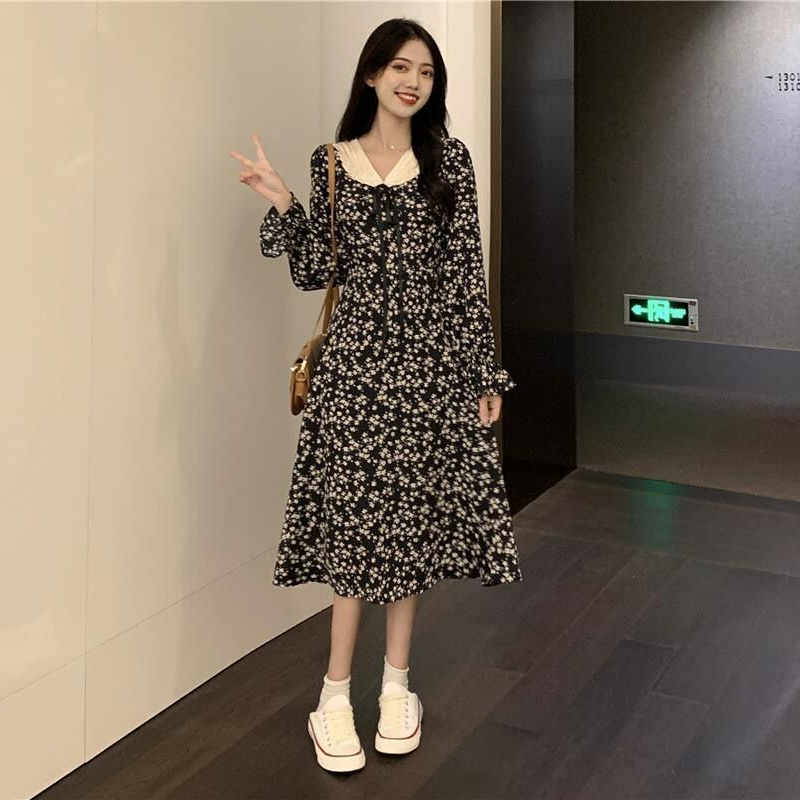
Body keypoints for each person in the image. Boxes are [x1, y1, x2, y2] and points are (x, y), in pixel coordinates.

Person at [230, 17, 522, 774]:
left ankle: (396, 686)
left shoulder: (450, 161)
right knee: (356, 533)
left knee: (409, 529)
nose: (413, 81)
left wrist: (483, 374)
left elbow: (464, 280)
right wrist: (283, 200)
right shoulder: (332, 163)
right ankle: (332, 696)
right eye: (399, 67)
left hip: (427, 374)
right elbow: (313, 272)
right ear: (371, 75)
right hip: (354, 377)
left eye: (425, 71)